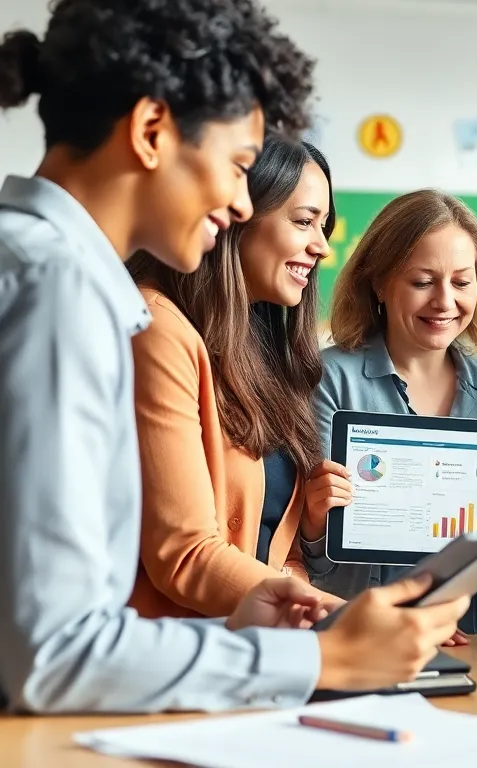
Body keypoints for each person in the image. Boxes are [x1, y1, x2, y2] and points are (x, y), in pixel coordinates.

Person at [0, 0, 467, 714]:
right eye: (239, 165)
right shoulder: (59, 286)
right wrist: (323, 653)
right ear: (152, 130)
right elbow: (56, 651)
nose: (242, 204)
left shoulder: (43, 267)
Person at [301, 190, 477, 638]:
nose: (444, 302)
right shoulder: (330, 378)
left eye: (461, 281)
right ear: (379, 283)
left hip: (469, 636)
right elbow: (312, 558)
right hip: (361, 633)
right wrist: (317, 520)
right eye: (422, 282)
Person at [122, 136, 336, 619]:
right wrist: (343, 615)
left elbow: (281, 558)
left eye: (323, 226)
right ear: (236, 213)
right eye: (304, 221)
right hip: (174, 659)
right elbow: (186, 555)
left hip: (255, 649)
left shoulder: (267, 351)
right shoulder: (155, 327)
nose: (321, 246)